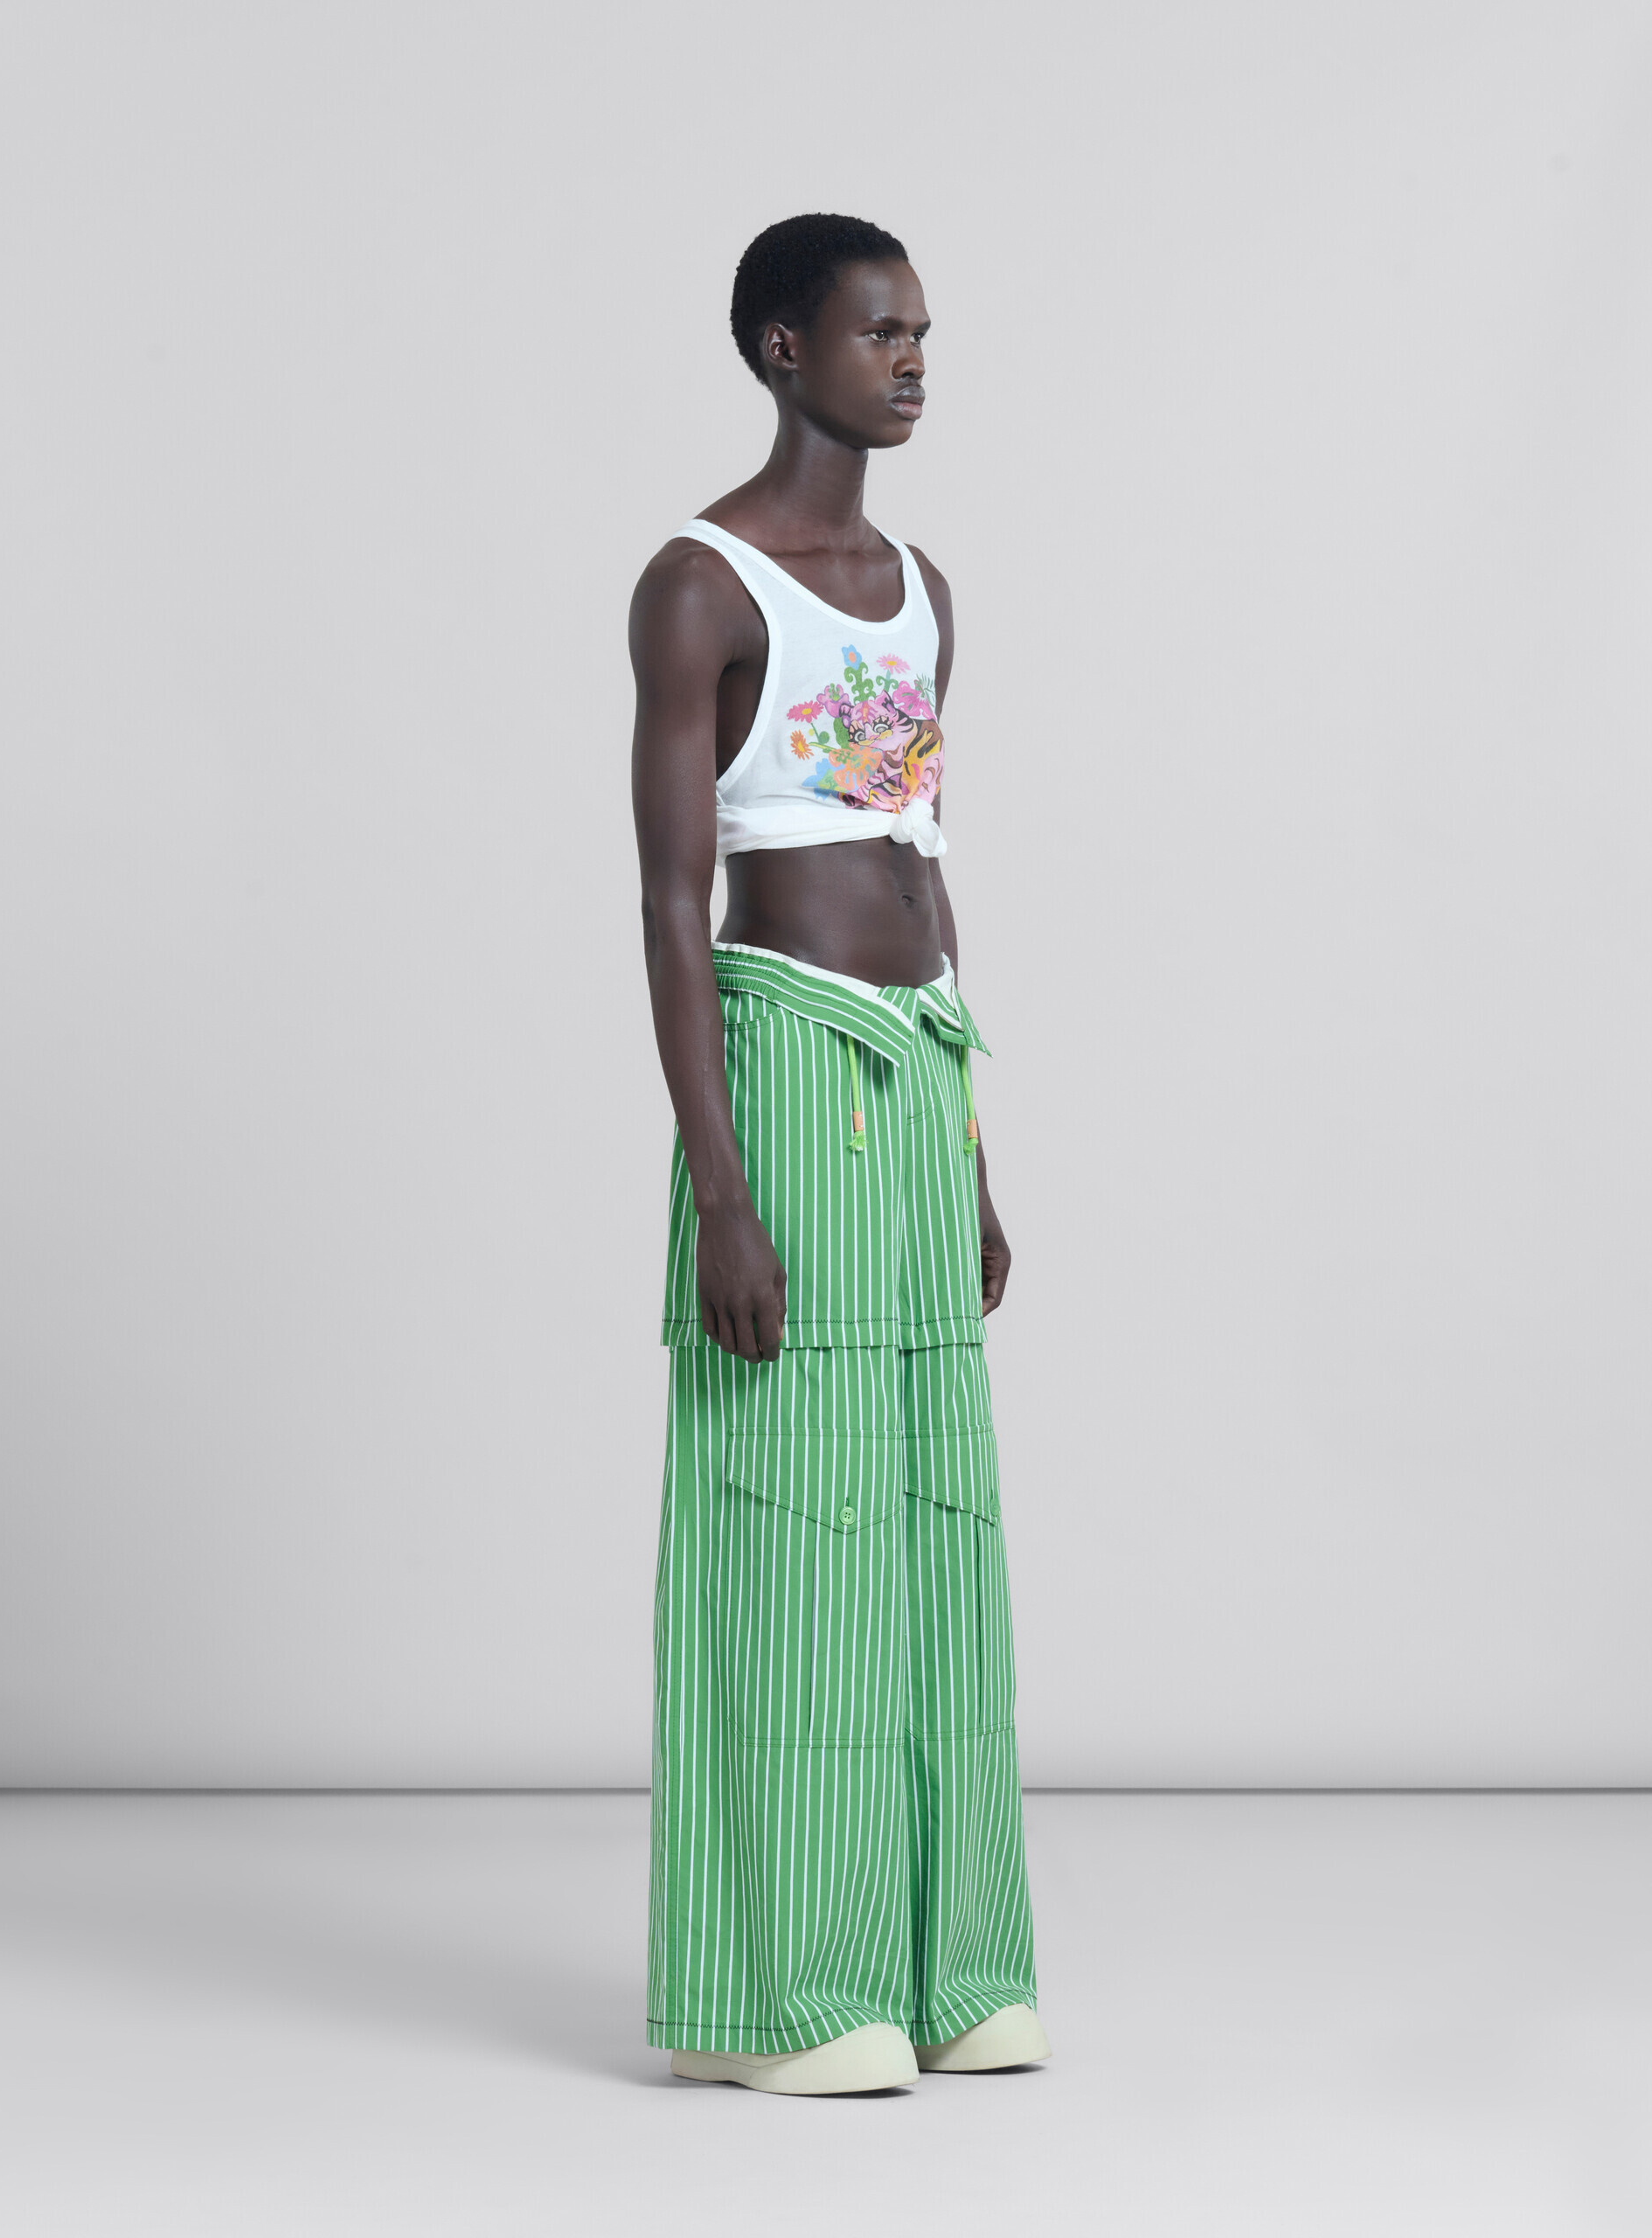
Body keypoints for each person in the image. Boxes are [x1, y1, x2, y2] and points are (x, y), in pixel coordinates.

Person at [630, 212, 1048, 2096]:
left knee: (939, 1518)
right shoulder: (701, 584)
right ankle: (783, 1991)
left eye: (925, 333)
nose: (914, 362)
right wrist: (721, 1190)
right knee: (796, 1518)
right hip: (785, 1063)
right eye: (882, 333)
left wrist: (973, 1154)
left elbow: (924, 859)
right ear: (783, 348)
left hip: (918, 1063)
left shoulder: (921, 588)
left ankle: (953, 1963)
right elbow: (670, 898)